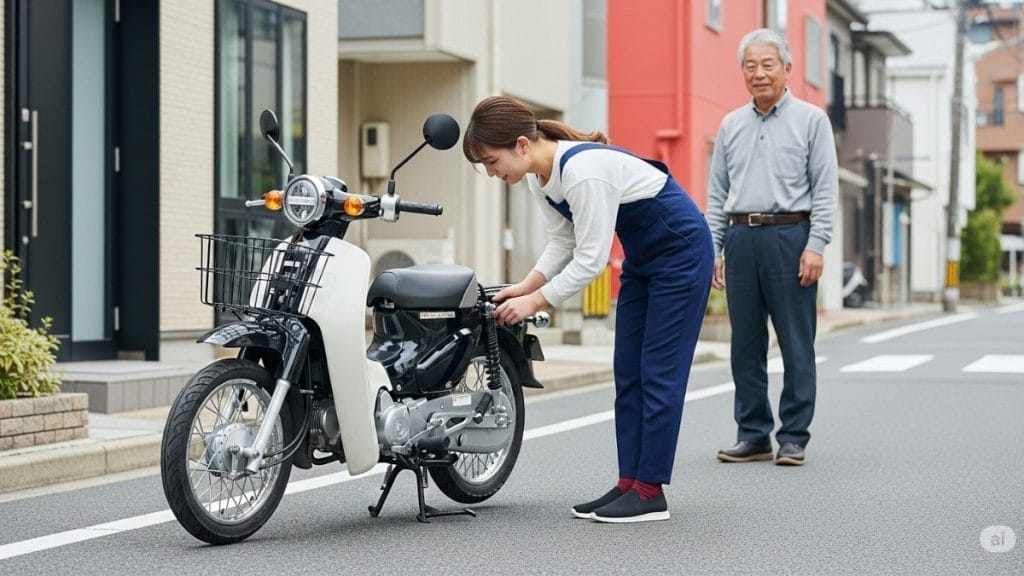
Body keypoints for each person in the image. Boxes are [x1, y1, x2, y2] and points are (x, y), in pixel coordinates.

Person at [462, 95, 713, 523]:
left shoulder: (581, 171)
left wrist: (535, 302)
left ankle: (650, 492)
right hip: (645, 260)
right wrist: (523, 287)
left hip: (683, 254)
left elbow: (592, 259)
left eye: (491, 161)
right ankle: (628, 484)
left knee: (658, 371)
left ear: (522, 144)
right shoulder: (538, 178)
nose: (491, 173)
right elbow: (563, 241)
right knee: (628, 371)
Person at [706, 29, 838, 466]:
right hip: (741, 236)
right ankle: (753, 434)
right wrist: (715, 249)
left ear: (787, 69)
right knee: (745, 344)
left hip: (791, 236)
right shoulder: (730, 124)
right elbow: (716, 193)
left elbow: (825, 190)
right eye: (750, 66)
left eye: (768, 65)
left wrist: (816, 245)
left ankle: (795, 435)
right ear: (742, 71)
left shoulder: (812, 120)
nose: (759, 73)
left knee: (796, 342)